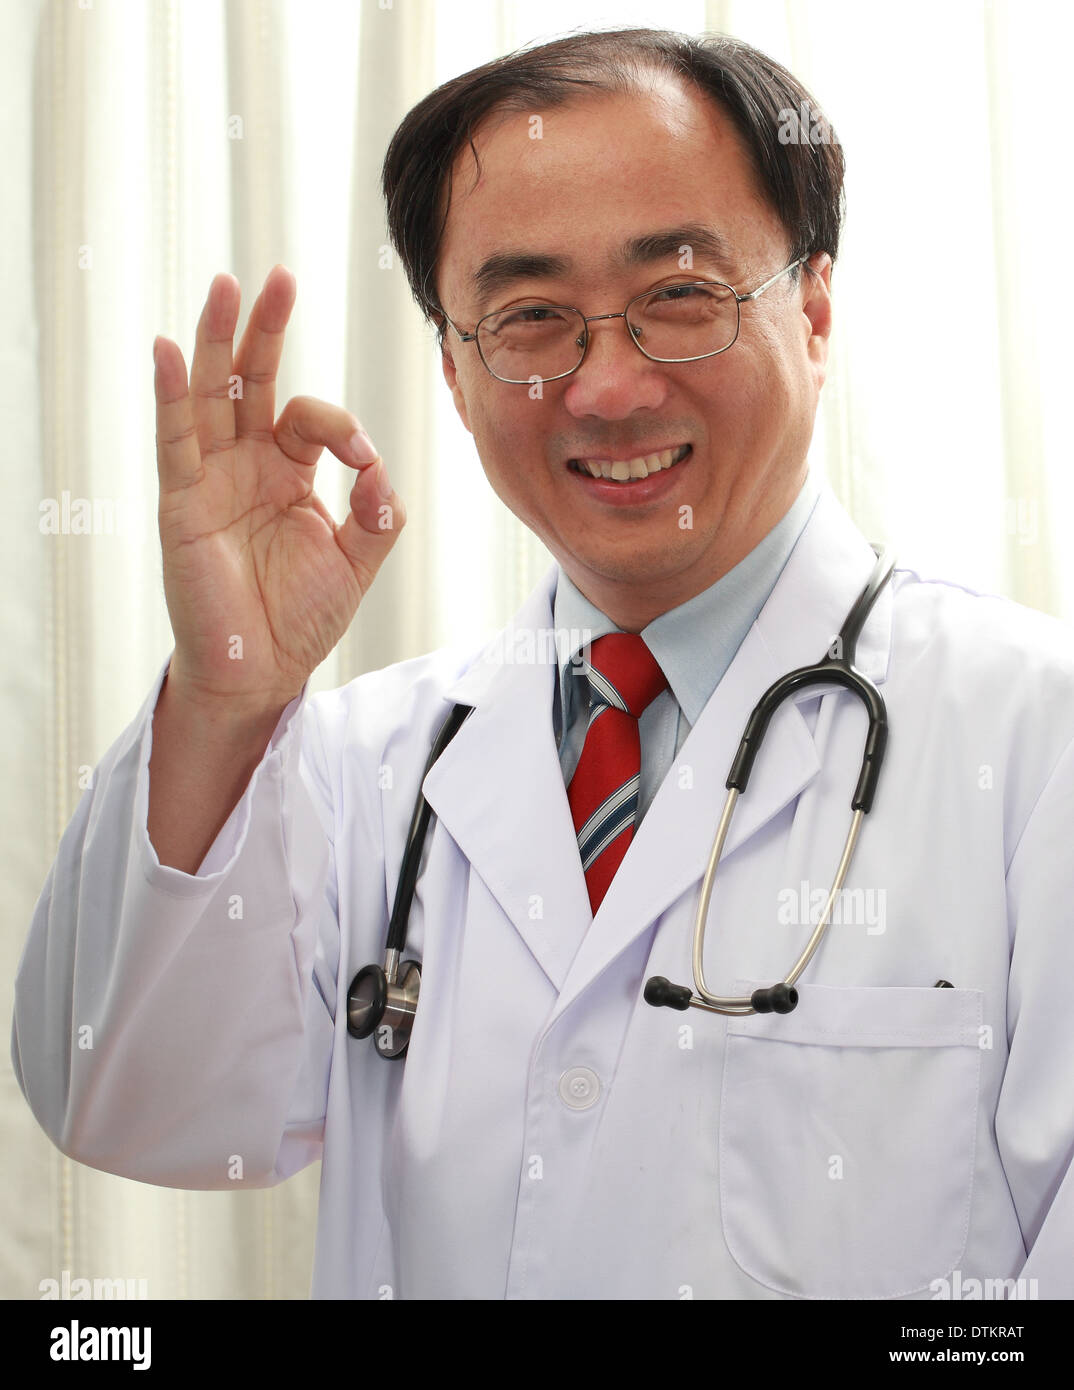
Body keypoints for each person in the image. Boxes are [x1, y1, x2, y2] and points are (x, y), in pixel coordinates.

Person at [12, 27, 1074, 1301]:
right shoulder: (363, 768)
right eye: (529, 319)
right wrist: (230, 695)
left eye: (680, 295)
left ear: (818, 309)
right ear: (457, 375)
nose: (609, 387)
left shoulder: (1032, 746)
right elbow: (127, 1100)